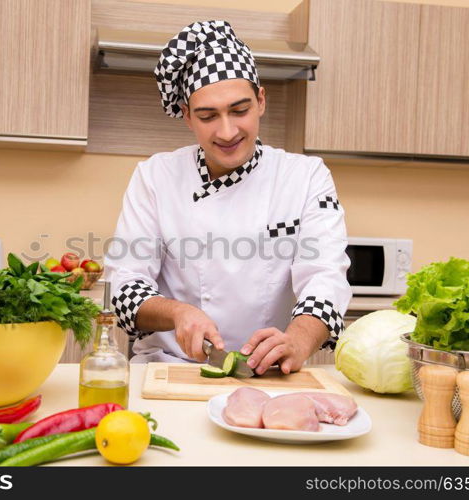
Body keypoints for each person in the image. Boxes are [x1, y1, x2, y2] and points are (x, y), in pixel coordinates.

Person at [104, 20, 351, 375]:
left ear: (261, 101)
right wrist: (178, 313)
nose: (227, 131)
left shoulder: (305, 176)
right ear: (187, 117)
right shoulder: (155, 176)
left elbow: (325, 276)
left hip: (268, 371)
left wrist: (298, 338)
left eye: (240, 110)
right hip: (169, 366)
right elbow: (124, 286)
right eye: (208, 116)